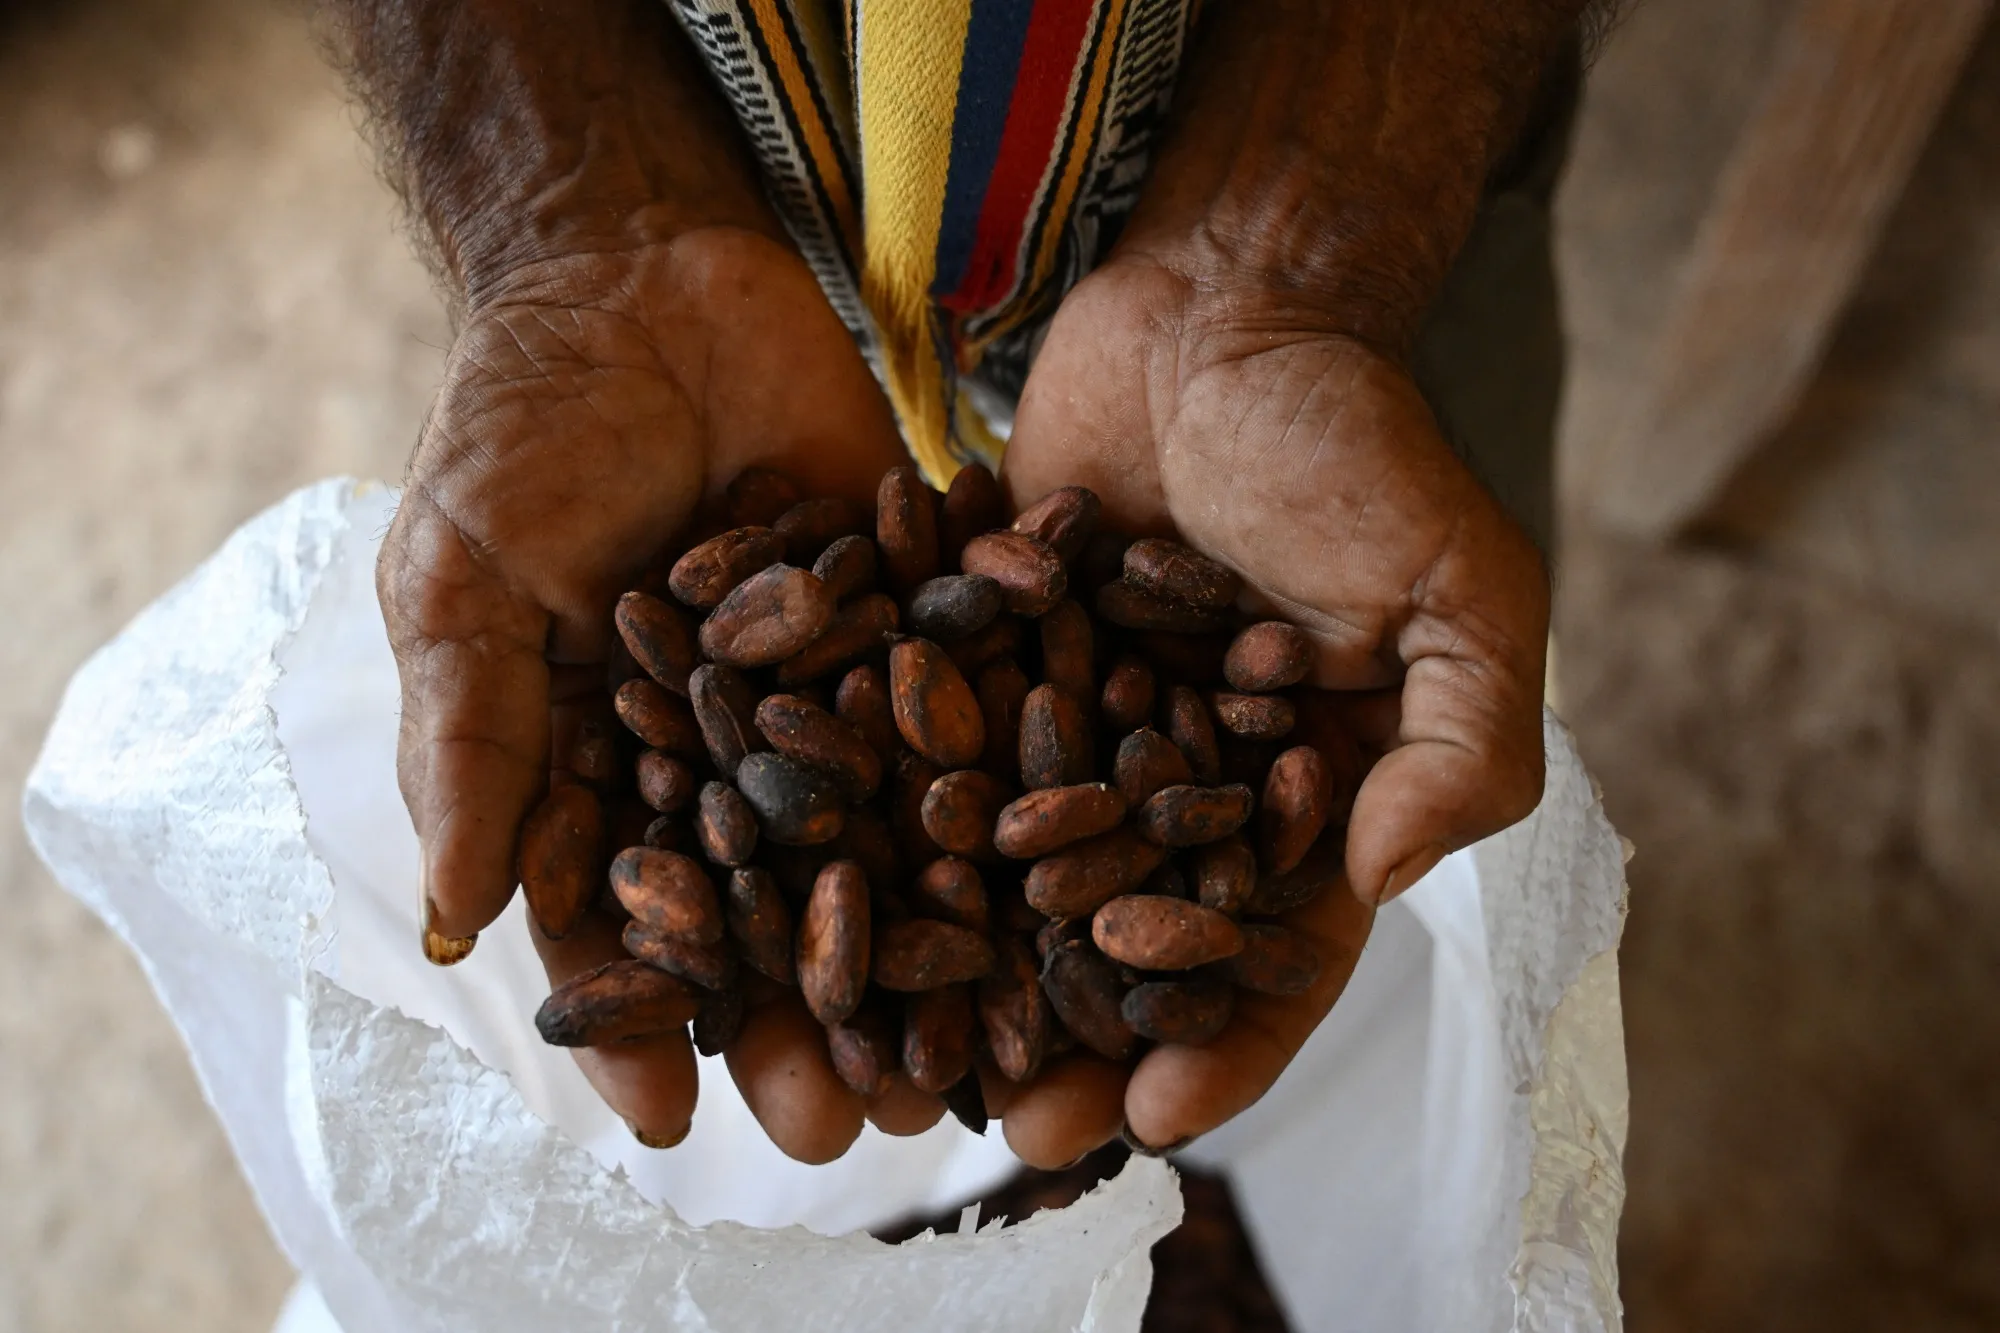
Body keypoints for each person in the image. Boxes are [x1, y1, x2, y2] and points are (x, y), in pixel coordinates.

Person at [320, 0, 1584, 1171]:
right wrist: (562, 214)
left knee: (1390, 756)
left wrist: (1300, 255)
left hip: (1374, 186)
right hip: (707, 172)